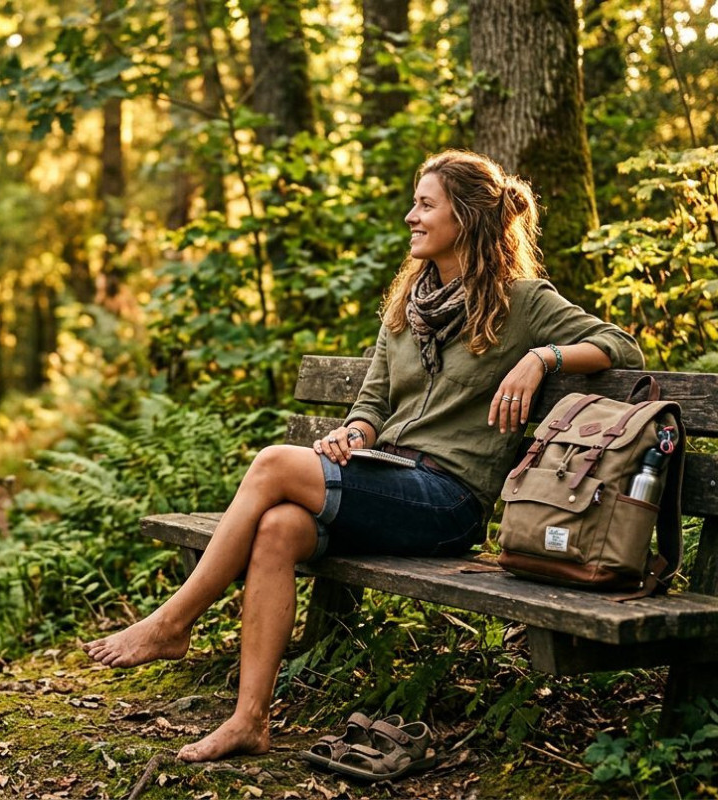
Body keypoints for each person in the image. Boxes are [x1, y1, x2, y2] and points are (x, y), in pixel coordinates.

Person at [81, 150, 644, 763]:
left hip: (448, 500)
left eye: (426, 205)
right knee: (278, 528)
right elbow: (372, 404)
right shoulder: (408, 303)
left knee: (272, 463)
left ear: (469, 218)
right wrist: (351, 434)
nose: (411, 216)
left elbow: (622, 347)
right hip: (390, 479)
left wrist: (542, 359)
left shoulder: (523, 302)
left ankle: (173, 623)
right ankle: (249, 721)